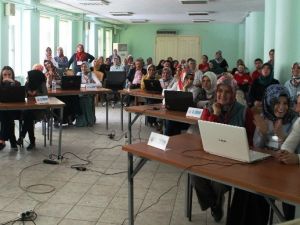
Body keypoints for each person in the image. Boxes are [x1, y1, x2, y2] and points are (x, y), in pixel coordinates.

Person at [228, 84, 297, 225]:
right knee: (243, 189)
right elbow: (257, 147)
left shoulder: (294, 121)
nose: (282, 107)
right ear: (269, 102)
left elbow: (290, 152)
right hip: (265, 168)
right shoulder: (263, 118)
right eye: (277, 103)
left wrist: (281, 137)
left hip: (287, 174)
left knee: (259, 195)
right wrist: (263, 133)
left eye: (285, 103)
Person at [191, 74, 255, 223]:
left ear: (233, 93)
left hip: (234, 160)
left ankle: (215, 205)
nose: (222, 95)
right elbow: (205, 134)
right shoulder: (209, 108)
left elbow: (251, 140)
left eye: (227, 92)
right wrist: (215, 114)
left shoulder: (244, 111)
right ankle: (215, 205)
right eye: (220, 91)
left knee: (219, 183)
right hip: (211, 156)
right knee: (195, 175)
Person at [17, 70, 47, 150]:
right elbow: (22, 97)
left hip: (39, 110)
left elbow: (45, 98)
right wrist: (26, 93)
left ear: (34, 78)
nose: (27, 78)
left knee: (28, 116)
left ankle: (22, 137)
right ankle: (31, 141)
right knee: (28, 116)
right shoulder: (27, 84)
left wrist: (36, 94)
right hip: (28, 109)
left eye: (29, 77)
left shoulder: (42, 84)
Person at [0, 66, 21, 150]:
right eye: (5, 75)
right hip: (2, 110)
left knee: (7, 114)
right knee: (5, 115)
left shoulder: (17, 83)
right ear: (1, 75)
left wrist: (12, 83)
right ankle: (12, 140)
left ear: (12, 75)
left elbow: (20, 94)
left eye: (9, 74)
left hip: (15, 110)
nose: (7, 77)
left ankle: (1, 139)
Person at [76, 62, 101, 127]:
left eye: (85, 67)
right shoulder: (79, 74)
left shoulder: (92, 74)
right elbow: (75, 84)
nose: (83, 68)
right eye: (82, 67)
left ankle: (89, 120)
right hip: (80, 94)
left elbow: (99, 84)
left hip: (89, 94)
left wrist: (89, 86)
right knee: (79, 99)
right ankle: (82, 121)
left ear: (88, 68)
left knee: (86, 99)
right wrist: (85, 85)